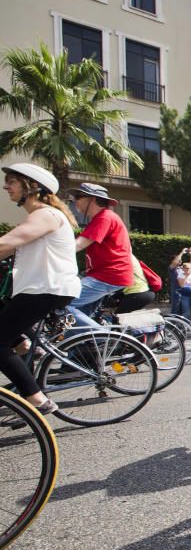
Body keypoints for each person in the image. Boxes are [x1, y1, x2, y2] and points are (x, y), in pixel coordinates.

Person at [0, 163, 81, 416]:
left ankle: (37, 400)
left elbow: (8, 243)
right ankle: (23, 344)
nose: (6, 186)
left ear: (32, 186)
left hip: (46, 289)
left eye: (12, 181)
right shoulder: (42, 215)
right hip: (38, 289)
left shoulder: (45, 214)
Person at [65, 183, 133, 329]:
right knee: (78, 321)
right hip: (106, 275)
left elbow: (78, 245)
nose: (74, 200)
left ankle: (104, 336)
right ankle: (75, 350)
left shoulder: (105, 217)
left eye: (78, 196)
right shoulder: (101, 218)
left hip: (107, 276)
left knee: (63, 303)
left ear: (93, 199)